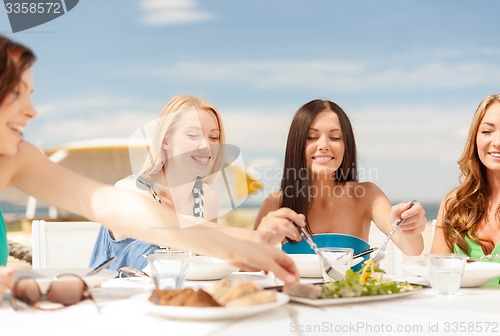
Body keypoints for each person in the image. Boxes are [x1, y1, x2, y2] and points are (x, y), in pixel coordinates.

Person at [0, 35, 302, 297]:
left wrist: (250, 243)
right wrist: (243, 243)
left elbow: (105, 201)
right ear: (165, 141)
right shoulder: (135, 187)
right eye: (17, 94)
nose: (32, 112)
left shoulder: (19, 158)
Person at [90, 95, 298, 271]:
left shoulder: (207, 198)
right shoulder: (129, 191)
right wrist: (253, 238)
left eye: (214, 138)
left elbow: (209, 261)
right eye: (193, 135)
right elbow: (172, 227)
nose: (206, 146)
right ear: (165, 140)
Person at [254, 99, 426, 256]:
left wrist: (408, 227)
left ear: (346, 146)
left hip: (357, 291)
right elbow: (249, 268)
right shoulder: (276, 203)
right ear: (296, 145)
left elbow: (413, 249)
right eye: (311, 137)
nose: (323, 146)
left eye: (335, 137)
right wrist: (260, 241)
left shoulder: (367, 195)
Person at [431, 94, 500, 285]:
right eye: (487, 131)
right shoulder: (454, 203)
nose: (497, 142)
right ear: (474, 139)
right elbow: (438, 276)